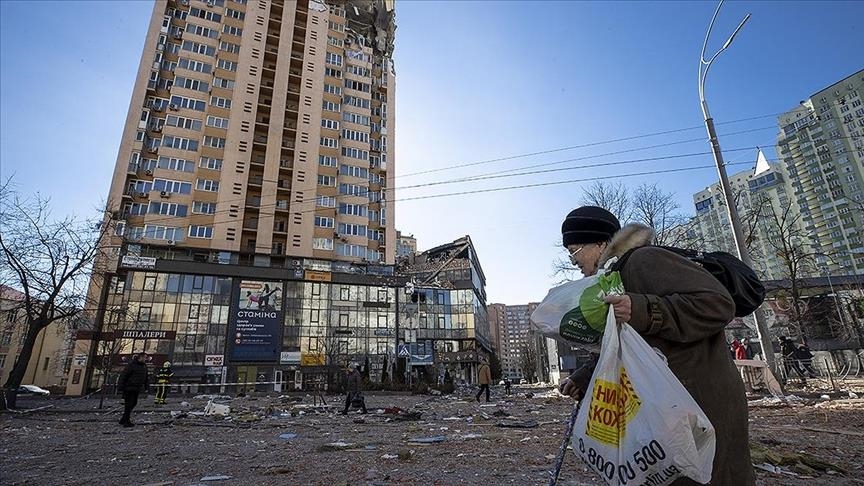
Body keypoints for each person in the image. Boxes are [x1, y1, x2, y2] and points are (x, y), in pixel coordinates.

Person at [557, 206, 755, 485]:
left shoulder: (644, 260)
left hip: (701, 400)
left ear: (600, 243)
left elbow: (719, 304)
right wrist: (584, 376)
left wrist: (641, 309)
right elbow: (626, 342)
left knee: (709, 477)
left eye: (575, 251)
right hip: (670, 402)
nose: (573, 260)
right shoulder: (613, 277)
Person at [118, 353, 149, 427]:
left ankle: (123, 419)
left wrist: (146, 387)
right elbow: (124, 375)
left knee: (134, 403)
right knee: (128, 405)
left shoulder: (144, 366)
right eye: (145, 357)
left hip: (137, 388)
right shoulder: (131, 365)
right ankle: (126, 421)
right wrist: (121, 387)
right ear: (140, 357)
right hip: (129, 387)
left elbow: (146, 377)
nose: (146, 359)